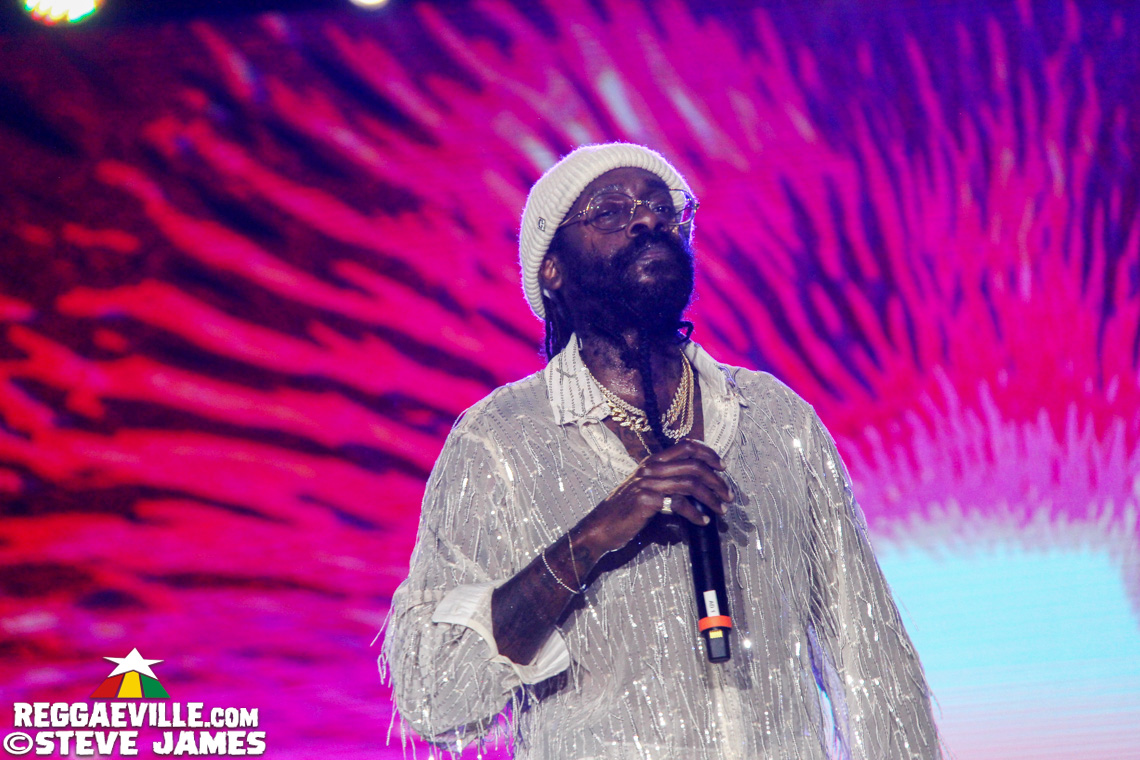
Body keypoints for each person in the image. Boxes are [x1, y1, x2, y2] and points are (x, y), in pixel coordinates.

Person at [381, 143, 941, 759]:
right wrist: (594, 536)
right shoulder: (500, 441)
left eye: (660, 209)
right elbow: (433, 692)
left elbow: (872, 657)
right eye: (610, 211)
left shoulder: (775, 419)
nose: (647, 220)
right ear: (551, 269)